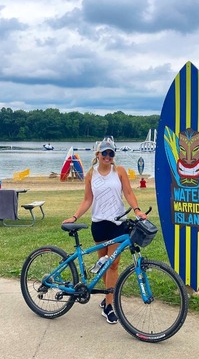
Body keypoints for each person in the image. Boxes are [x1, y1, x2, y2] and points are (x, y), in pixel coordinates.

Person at [62, 138, 146, 324]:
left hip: (117, 224)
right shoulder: (91, 174)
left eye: (111, 153)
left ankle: (109, 305)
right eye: (104, 153)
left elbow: (129, 193)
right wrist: (75, 217)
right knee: (103, 265)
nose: (108, 156)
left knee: (113, 264)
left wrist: (137, 210)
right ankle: (107, 295)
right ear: (97, 154)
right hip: (99, 224)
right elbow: (87, 200)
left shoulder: (120, 171)